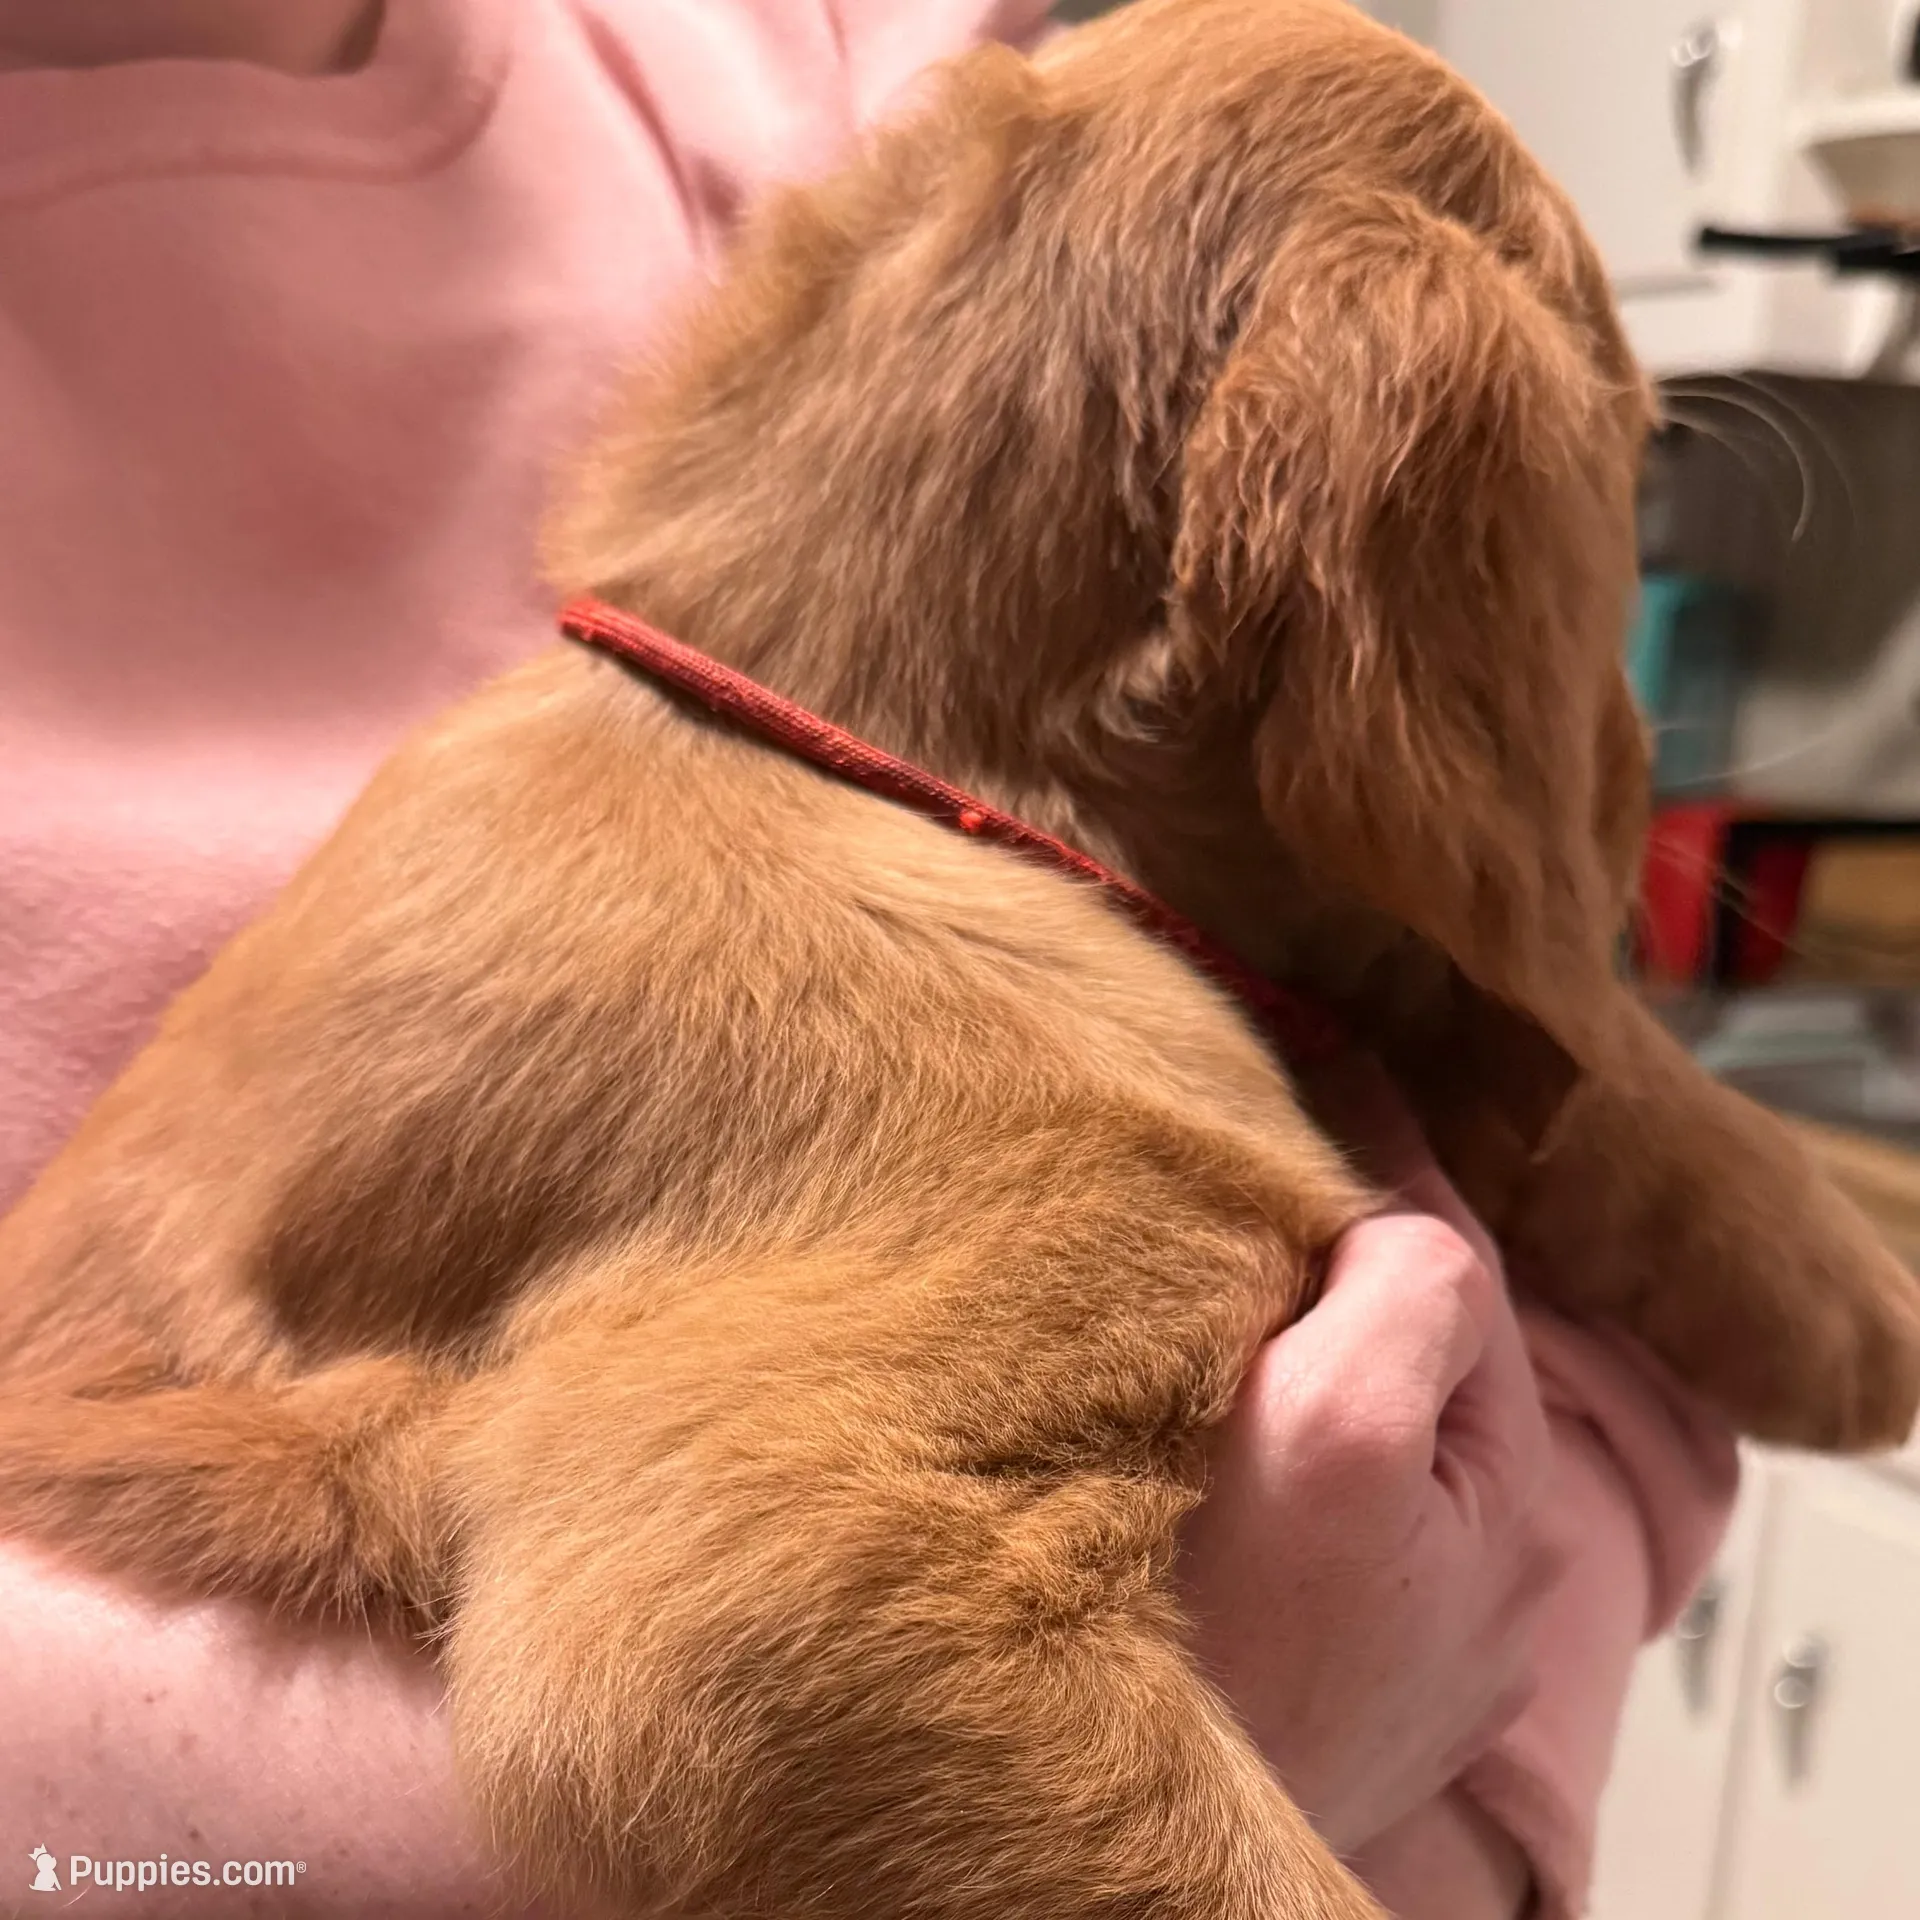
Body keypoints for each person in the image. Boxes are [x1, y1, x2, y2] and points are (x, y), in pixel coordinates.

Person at [0, 4, 1738, 1915]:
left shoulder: (871, 81)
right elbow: (753, 1638)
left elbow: (1557, 1244)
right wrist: (1079, 1754)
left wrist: (1444, 1817)